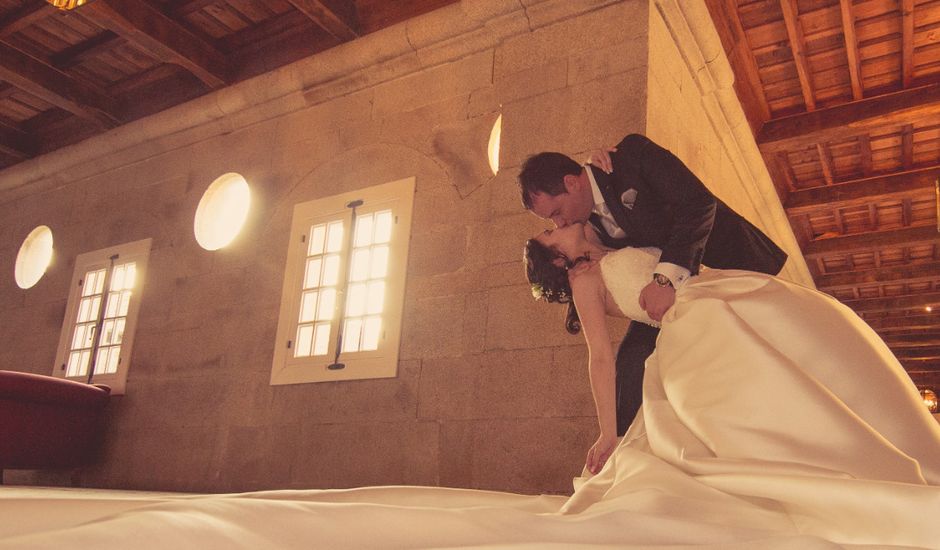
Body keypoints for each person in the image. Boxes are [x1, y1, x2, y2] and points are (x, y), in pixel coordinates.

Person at [524, 222, 940, 483]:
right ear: (559, 259)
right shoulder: (585, 283)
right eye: (549, 234)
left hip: (716, 290)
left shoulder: (610, 241)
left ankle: (892, 441)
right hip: (694, 329)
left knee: (815, 340)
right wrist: (608, 432)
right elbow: (598, 356)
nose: (555, 225)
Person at [519, 133, 788, 436]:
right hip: (678, 311)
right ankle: (626, 446)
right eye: (551, 225)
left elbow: (698, 204)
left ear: (571, 183)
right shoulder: (585, 232)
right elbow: (600, 353)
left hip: (729, 266)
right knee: (635, 365)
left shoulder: (628, 157)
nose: (559, 224)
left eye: (556, 214)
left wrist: (665, 279)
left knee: (780, 354)